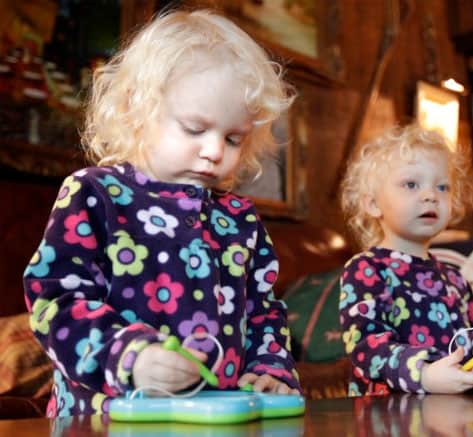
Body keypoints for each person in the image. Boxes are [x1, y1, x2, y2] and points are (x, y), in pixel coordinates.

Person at [23, 9, 300, 417]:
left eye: (233, 138)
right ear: (138, 107)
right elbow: (55, 300)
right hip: (103, 421)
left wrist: (270, 368)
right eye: (194, 129)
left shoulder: (240, 216)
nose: (214, 151)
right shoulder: (94, 194)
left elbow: (263, 310)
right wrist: (128, 356)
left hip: (223, 419)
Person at [339, 124, 473, 396]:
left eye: (442, 187)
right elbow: (367, 348)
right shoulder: (365, 269)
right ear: (373, 204)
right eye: (411, 184)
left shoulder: (454, 276)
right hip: (389, 416)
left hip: (456, 410)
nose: (430, 195)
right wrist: (424, 374)